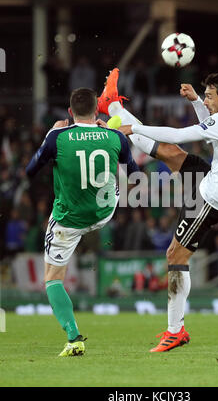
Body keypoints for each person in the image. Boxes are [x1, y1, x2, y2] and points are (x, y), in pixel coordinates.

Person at [97, 68, 218, 352]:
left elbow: (181, 133)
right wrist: (197, 101)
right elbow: (213, 127)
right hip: (217, 179)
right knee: (168, 152)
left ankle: (176, 331)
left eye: (210, 96)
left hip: (212, 199)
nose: (207, 100)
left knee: (175, 254)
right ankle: (112, 105)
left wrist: (133, 128)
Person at [26, 87, 139, 356]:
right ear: (98, 111)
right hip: (104, 212)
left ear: (69, 112)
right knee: (113, 182)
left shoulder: (57, 136)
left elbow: (31, 171)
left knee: (53, 279)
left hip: (69, 220)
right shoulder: (114, 137)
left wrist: (48, 138)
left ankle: (74, 337)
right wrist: (113, 135)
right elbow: (135, 174)